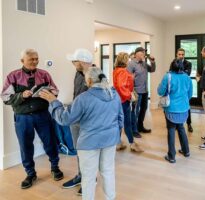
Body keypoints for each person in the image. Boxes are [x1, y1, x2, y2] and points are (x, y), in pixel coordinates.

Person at [40, 67, 123, 200]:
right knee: (108, 172)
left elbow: (64, 119)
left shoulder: (83, 98)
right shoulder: (114, 94)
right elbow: (120, 118)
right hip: (110, 140)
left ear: (89, 81)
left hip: (89, 143)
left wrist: (53, 101)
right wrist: (115, 135)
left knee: (88, 177)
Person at [1, 49, 64, 189]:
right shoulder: (13, 76)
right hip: (22, 118)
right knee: (25, 146)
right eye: (31, 59)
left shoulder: (44, 74)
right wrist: (21, 95)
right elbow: (5, 97)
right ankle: (30, 174)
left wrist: (47, 92)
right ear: (22, 61)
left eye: (36, 59)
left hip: (42, 115)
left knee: (50, 142)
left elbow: (55, 90)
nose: (35, 61)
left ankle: (55, 167)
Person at [62, 48, 93, 195]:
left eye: (75, 61)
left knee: (88, 152)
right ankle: (82, 175)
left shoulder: (96, 75)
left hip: (88, 121)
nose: (73, 63)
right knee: (79, 150)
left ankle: (89, 178)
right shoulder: (77, 74)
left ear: (81, 62)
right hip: (76, 118)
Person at [158, 59, 193, 163]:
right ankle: (186, 151)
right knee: (181, 127)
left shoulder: (168, 76)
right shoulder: (187, 77)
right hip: (184, 108)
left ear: (171, 66)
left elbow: (160, 91)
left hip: (171, 108)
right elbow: (190, 94)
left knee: (171, 129)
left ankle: (171, 156)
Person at [113, 52, 143, 152]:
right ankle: (132, 143)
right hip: (124, 100)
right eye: (128, 59)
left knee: (119, 122)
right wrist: (129, 95)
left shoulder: (116, 70)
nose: (129, 61)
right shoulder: (122, 71)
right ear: (124, 60)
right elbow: (121, 86)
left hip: (118, 100)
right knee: (127, 122)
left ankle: (118, 143)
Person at [127, 47, 156, 136]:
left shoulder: (144, 63)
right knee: (135, 111)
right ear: (136, 54)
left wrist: (153, 62)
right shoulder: (131, 64)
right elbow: (128, 78)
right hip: (136, 92)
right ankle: (134, 130)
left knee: (143, 109)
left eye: (144, 52)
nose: (144, 54)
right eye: (142, 52)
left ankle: (140, 126)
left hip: (144, 91)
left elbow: (152, 70)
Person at [173, 48, 193, 133]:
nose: (181, 56)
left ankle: (189, 124)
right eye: (179, 54)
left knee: (187, 107)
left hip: (184, 88)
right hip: (176, 88)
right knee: (176, 107)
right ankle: (176, 124)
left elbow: (187, 73)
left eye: (182, 54)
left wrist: (179, 72)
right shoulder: (174, 63)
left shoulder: (188, 63)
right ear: (176, 55)